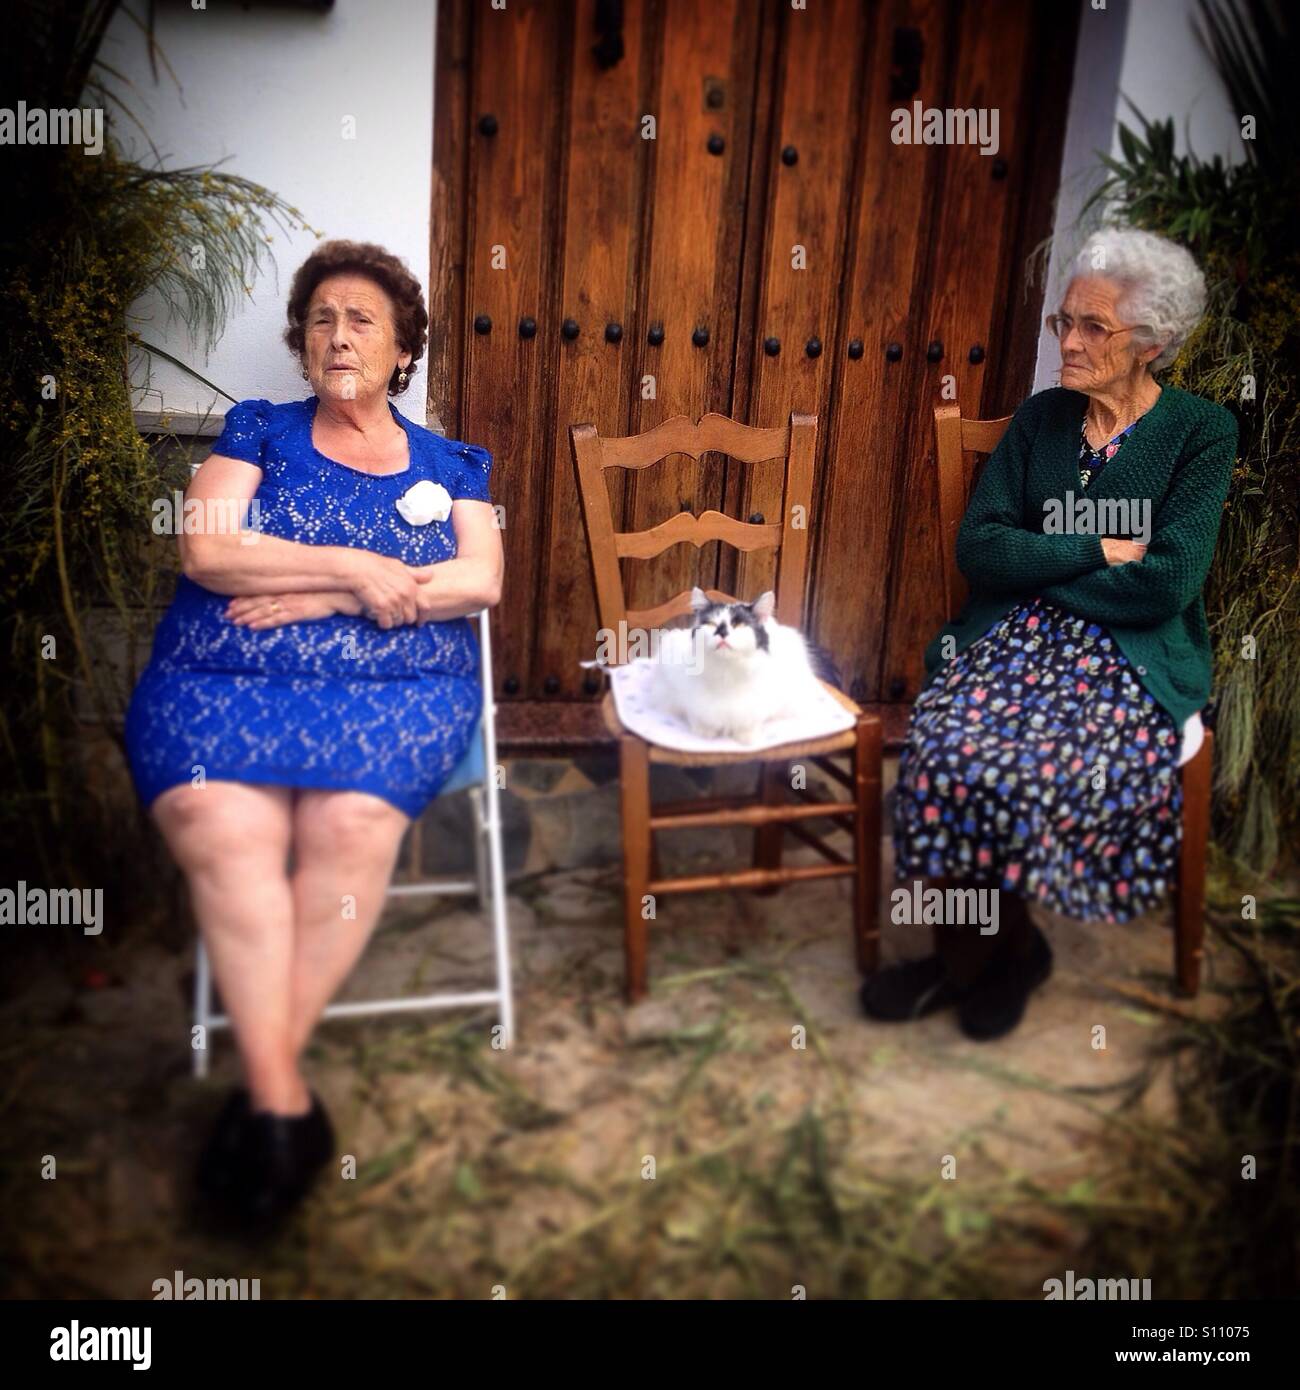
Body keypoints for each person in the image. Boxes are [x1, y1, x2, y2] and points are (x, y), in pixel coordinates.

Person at [124, 240, 504, 1225]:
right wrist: (344, 566)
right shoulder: (257, 430)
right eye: (323, 320)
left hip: (396, 685)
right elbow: (206, 547)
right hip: (226, 672)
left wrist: (297, 584)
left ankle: (264, 1096)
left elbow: (479, 581)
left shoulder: (450, 463)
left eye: (363, 320)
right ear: (301, 345)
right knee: (222, 827)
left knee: (347, 828)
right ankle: (283, 1102)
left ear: (403, 352)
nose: (339, 335)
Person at [863, 227, 1238, 1040]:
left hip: (1125, 661)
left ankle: (996, 959)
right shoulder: (1041, 421)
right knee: (946, 746)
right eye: (1062, 322)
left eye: (1092, 327)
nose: (1067, 341)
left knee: (1043, 764)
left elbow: (1167, 582)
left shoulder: (1202, 434)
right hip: (1006, 643)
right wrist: (1097, 548)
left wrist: (1037, 565)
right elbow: (980, 548)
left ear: (1154, 341)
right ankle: (977, 955)